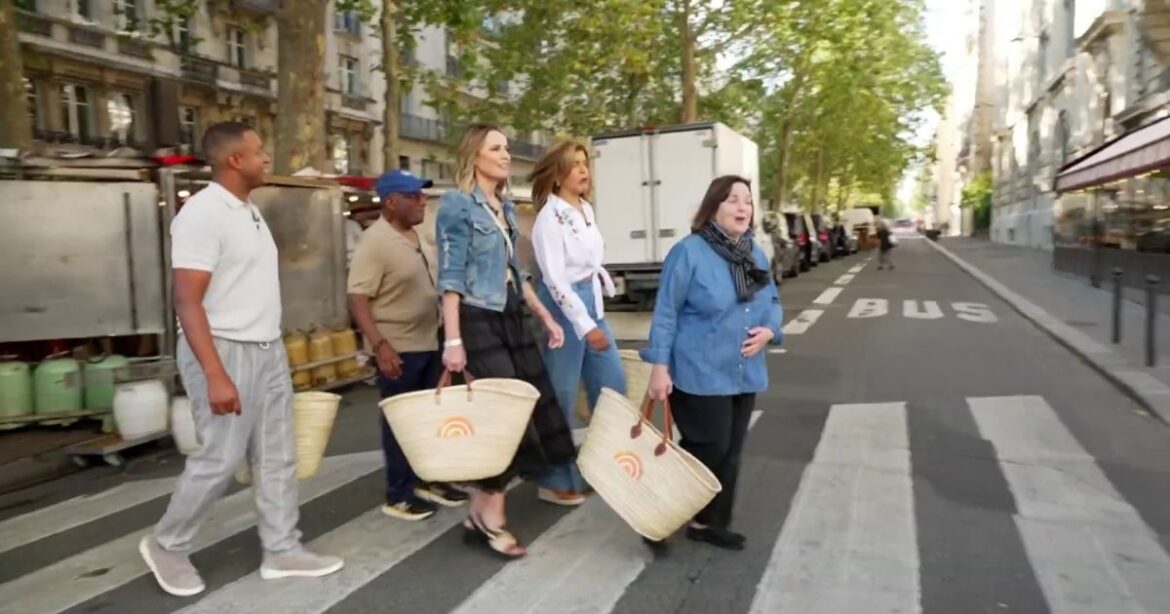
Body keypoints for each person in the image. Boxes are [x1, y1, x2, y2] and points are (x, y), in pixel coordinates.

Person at [140, 122, 343, 597]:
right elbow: (187, 301)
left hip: (266, 348)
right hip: (224, 349)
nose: (265, 159)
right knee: (220, 456)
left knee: (277, 455)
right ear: (235, 161)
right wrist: (215, 374)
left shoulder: (247, 211)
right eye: (258, 152)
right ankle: (167, 543)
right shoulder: (203, 214)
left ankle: (282, 549)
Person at [435, 123, 576, 559]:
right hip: (475, 321)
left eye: (507, 148)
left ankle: (480, 511)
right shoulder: (457, 206)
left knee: (525, 412)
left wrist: (545, 316)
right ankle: (491, 518)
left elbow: (517, 273)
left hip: (510, 319)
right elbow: (451, 279)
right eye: (496, 148)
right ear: (474, 156)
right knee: (501, 421)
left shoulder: (505, 209)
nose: (506, 154)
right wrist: (453, 340)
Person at [643, 175, 783, 552]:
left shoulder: (754, 253)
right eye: (733, 200)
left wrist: (771, 330)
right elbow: (667, 312)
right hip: (699, 370)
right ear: (714, 207)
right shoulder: (688, 252)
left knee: (732, 451)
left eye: (747, 201)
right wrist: (659, 366)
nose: (742, 207)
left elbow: (772, 301)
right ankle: (656, 513)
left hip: (743, 371)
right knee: (709, 445)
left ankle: (707, 522)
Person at [348, 169, 470, 520]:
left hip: (431, 341)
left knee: (432, 420)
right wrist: (379, 345)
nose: (422, 202)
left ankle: (428, 480)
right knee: (401, 423)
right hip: (399, 347)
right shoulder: (374, 243)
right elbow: (357, 298)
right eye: (414, 196)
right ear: (391, 202)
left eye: (423, 195)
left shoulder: (417, 235)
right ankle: (398, 494)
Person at [528, 140, 627, 505]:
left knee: (612, 385)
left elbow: (588, 266)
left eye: (585, 163)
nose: (584, 170)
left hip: (590, 300)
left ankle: (603, 464)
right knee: (562, 393)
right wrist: (586, 325)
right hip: (562, 306)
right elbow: (555, 280)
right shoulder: (548, 219)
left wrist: (596, 308)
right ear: (557, 174)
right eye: (574, 165)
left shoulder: (585, 208)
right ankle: (554, 477)